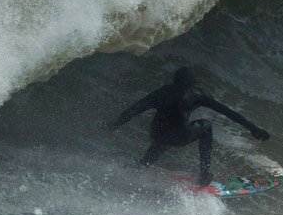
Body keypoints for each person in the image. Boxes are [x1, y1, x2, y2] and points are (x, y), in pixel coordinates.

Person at [106, 67, 270, 186]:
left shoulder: (161, 93)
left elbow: (134, 110)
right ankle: (205, 173)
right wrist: (253, 129)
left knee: (165, 132)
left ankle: (143, 165)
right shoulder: (195, 94)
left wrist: (114, 125)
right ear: (192, 84)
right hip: (179, 136)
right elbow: (228, 112)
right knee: (206, 126)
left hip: (157, 134)